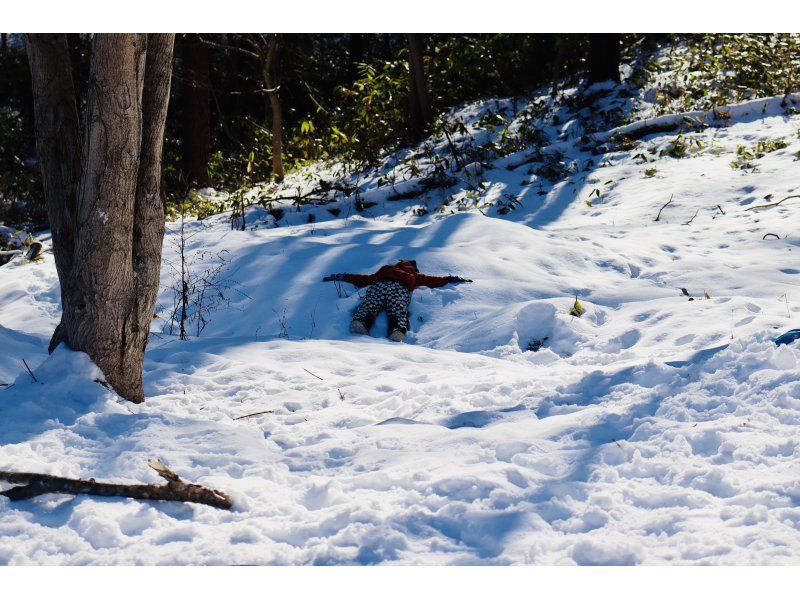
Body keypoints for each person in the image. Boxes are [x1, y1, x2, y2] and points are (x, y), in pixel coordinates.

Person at [322, 260, 472, 342]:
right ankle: (397, 330)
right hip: (399, 289)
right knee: (397, 309)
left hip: (379, 286)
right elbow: (432, 280)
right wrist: (450, 279)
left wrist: (341, 276)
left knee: (370, 303)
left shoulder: (386, 269)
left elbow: (363, 279)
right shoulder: (413, 274)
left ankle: (361, 321)